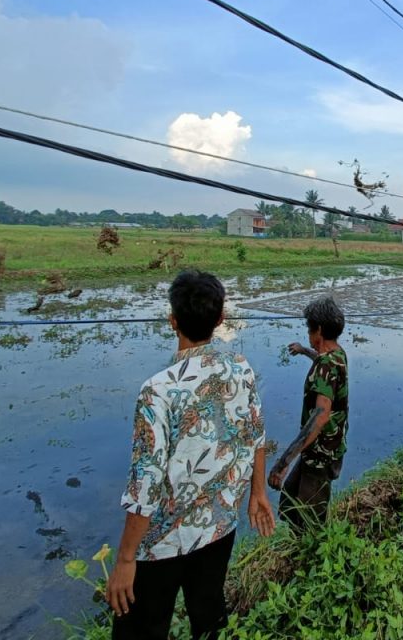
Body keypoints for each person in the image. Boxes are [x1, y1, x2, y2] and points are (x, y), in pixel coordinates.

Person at [107, 270, 275, 640]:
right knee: (209, 615)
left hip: (162, 543)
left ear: (172, 320)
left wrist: (124, 559)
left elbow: (145, 485)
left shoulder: (158, 391)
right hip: (220, 526)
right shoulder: (241, 369)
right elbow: (255, 433)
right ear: (219, 320)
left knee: (142, 630)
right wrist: (258, 492)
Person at [269, 296, 349, 532]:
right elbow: (323, 363)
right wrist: (304, 351)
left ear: (319, 329)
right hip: (324, 448)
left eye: (308, 329)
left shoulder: (327, 364)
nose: (307, 334)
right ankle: (296, 547)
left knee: (311, 520)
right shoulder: (337, 355)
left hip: (321, 452)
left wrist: (284, 461)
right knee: (290, 503)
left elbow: (321, 415)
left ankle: (312, 556)